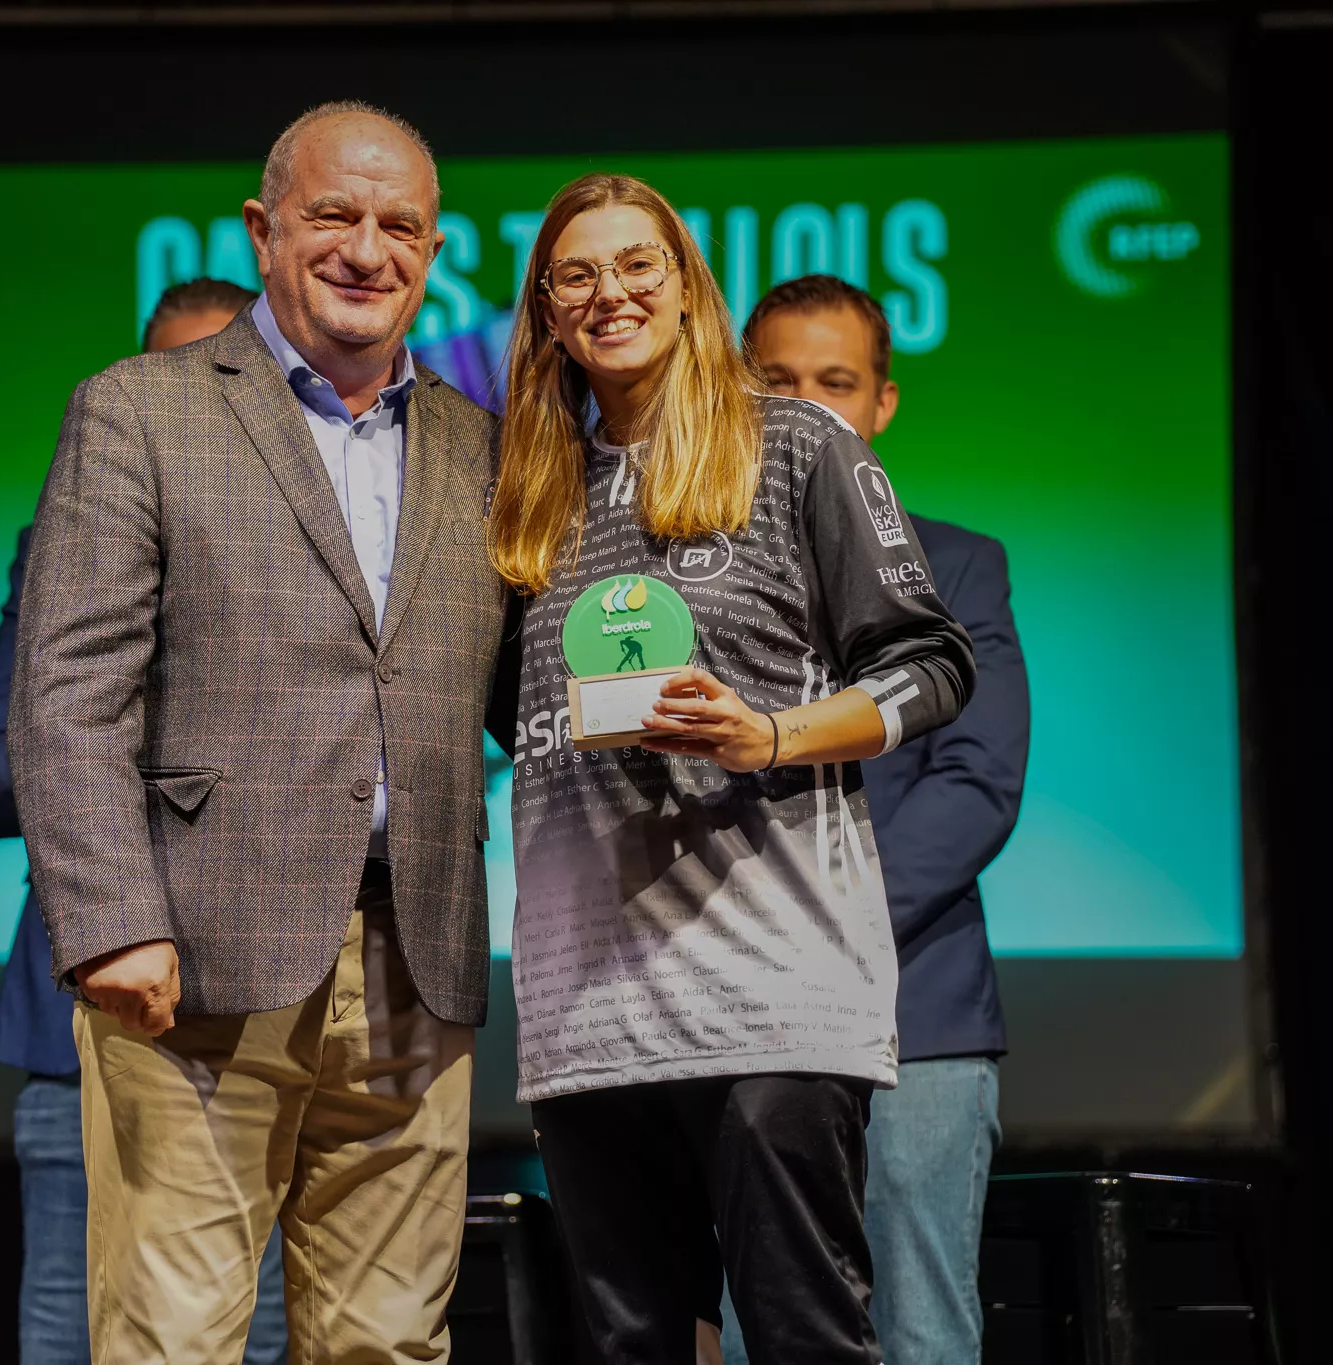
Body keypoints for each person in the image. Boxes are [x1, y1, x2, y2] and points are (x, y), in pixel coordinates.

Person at [9, 102, 511, 1365]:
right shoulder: (140, 410)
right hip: (192, 962)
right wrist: (111, 917)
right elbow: (69, 688)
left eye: (398, 224)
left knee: (388, 1347)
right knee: (173, 1340)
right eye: (333, 214)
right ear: (263, 228)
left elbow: (518, 693)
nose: (365, 248)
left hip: (417, 960)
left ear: (435, 247)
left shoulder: (479, 445)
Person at [488, 173, 975, 1365]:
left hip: (773, 993)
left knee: (805, 1337)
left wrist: (765, 735)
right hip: (585, 1007)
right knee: (631, 1346)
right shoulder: (519, 488)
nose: (610, 293)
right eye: (576, 273)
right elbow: (513, 713)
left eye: (637, 264)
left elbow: (930, 666)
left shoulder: (797, 444)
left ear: (687, 285)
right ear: (545, 308)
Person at [0, 278, 282, 1365]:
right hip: (75, 1032)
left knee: (263, 1336)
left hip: (270, 1022)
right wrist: (128, 719)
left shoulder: (328, 563)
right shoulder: (63, 543)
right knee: (69, 1334)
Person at [744, 274, 1029, 1365]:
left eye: (835, 382)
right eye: (779, 382)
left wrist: (825, 925)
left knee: (917, 1332)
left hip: (916, 1011)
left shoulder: (957, 565)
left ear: (881, 405)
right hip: (746, 1014)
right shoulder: (702, 571)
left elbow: (975, 783)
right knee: (754, 1328)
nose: (810, 406)